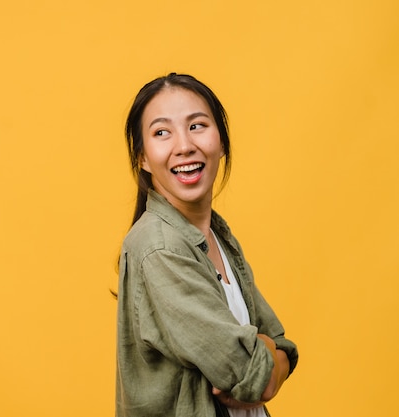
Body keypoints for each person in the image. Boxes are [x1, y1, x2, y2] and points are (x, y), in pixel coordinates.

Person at [115, 73, 298, 417]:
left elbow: (283, 347)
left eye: (197, 126)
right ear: (142, 157)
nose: (184, 145)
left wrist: (268, 350)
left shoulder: (215, 235)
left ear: (222, 142)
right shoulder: (159, 248)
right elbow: (253, 375)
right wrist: (264, 353)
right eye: (161, 132)